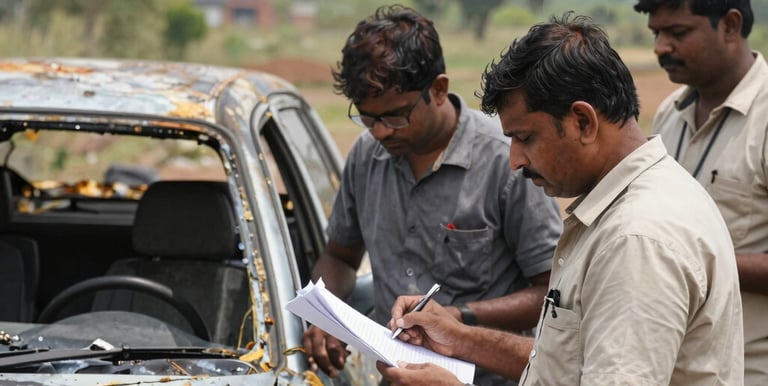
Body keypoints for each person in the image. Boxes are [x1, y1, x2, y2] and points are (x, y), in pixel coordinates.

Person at [377, 13, 744, 386]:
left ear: (583, 122)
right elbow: (565, 366)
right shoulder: (631, 204)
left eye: (525, 138)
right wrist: (457, 337)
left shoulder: (636, 240)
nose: (515, 161)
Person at [302, 4, 563, 385]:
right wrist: (325, 317)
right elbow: (340, 256)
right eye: (367, 118)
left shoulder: (505, 161)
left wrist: (460, 317)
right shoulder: (366, 155)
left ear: (438, 89)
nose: (380, 133)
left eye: (394, 117)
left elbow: (550, 294)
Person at [633, 1, 768, 383]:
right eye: (656, 34)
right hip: (667, 366)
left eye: (678, 33)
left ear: (730, 25)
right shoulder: (667, 115)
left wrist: (691, 261)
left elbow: (678, 252)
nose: (661, 47)